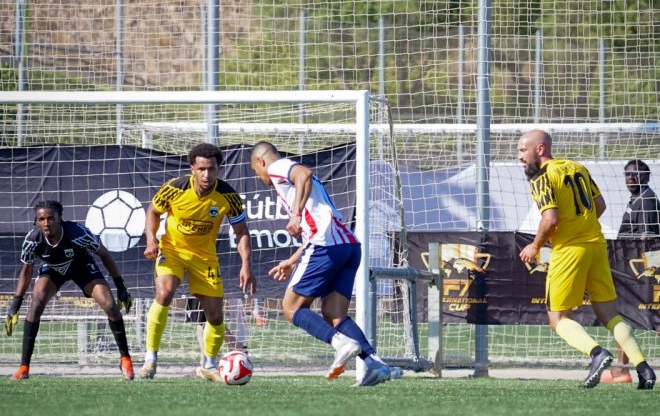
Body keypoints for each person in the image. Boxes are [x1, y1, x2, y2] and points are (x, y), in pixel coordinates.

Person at [250, 140, 401, 386]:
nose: (258, 176)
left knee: (291, 308)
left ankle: (340, 343)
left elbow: (304, 173)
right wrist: (292, 260)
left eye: (255, 171)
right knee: (334, 314)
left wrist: (296, 215)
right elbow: (319, 222)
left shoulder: (277, 167)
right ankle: (376, 364)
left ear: (261, 161)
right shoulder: (297, 184)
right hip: (348, 246)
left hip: (326, 246)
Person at [517, 130, 656, 389]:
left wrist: (535, 246)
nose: (519, 157)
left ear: (540, 149)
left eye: (523, 150)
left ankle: (597, 353)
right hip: (596, 247)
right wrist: (582, 226)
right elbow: (599, 205)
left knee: (557, 319)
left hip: (569, 251)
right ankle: (644, 368)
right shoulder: (577, 168)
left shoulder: (542, 177)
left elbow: (550, 219)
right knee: (610, 315)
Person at [141, 142, 256, 380]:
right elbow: (153, 211)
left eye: (211, 169)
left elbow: (241, 231)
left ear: (218, 169)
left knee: (215, 315)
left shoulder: (228, 196)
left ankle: (210, 366)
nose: (206, 174)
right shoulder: (175, 188)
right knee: (165, 292)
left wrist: (246, 265)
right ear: (192, 168)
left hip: (205, 257)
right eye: (201, 169)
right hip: (172, 250)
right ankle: (150, 359)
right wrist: (151, 240)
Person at [5, 199, 134, 380]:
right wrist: (15, 304)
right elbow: (26, 272)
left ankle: (125, 359)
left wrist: (120, 286)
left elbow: (104, 254)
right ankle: (24, 367)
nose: (46, 223)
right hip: (53, 270)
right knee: (36, 304)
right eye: (41, 219)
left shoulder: (78, 233)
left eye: (51, 218)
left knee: (110, 305)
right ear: (36, 221)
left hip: (82, 267)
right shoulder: (32, 240)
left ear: (60, 218)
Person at [602, 158, 660, 383]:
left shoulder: (647, 200)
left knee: (653, 317)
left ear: (647, 176)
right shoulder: (637, 199)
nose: (630, 177)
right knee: (630, 317)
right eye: (627, 174)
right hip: (633, 268)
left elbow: (647, 238)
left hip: (639, 269)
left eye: (635, 174)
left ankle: (622, 370)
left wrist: (634, 264)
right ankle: (622, 370)